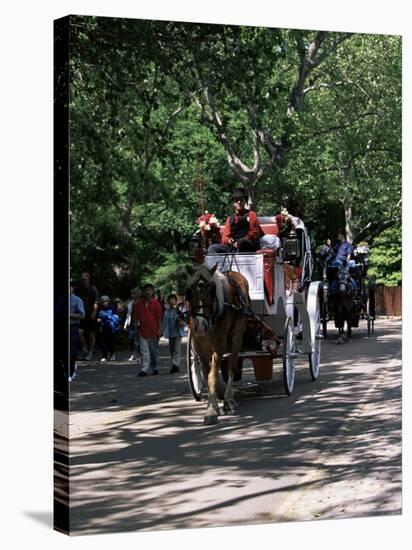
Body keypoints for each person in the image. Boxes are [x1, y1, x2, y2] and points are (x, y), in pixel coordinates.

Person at [208, 188, 265, 254]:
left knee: (241, 242)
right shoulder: (230, 219)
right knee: (212, 248)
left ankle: (237, 261)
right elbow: (224, 237)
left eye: (241, 200)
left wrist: (242, 240)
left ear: (245, 201)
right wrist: (228, 240)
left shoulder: (251, 214)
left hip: (248, 245)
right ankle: (220, 264)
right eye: (237, 200)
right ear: (233, 203)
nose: (239, 202)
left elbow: (254, 232)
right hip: (233, 246)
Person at [135, 283, 163, 377]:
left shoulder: (156, 303)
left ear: (152, 291)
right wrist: (136, 329)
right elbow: (135, 318)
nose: (148, 292)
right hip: (142, 331)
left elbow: (159, 317)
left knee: (153, 351)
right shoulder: (138, 304)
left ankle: (155, 367)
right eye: (146, 290)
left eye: (149, 290)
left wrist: (159, 329)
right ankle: (144, 369)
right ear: (143, 292)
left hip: (153, 331)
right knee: (144, 351)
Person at [76, 272, 99, 360]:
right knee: (79, 332)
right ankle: (84, 349)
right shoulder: (79, 289)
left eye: (85, 279)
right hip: (82, 315)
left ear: (88, 279)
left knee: (91, 333)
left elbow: (96, 301)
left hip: (91, 314)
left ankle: (90, 353)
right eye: (82, 279)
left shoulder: (93, 288)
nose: (83, 280)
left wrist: (94, 312)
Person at [162, 294, 186, 373]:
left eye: (173, 299)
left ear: (176, 301)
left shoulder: (179, 310)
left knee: (176, 349)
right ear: (168, 301)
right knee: (171, 350)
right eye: (170, 300)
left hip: (178, 333)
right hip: (170, 333)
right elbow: (164, 322)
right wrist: (162, 330)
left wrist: (181, 321)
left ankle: (176, 364)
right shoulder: (166, 311)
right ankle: (174, 364)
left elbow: (184, 319)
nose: (172, 301)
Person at [97, 295, 120, 362]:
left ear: (108, 301)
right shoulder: (100, 308)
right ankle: (104, 356)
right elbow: (98, 317)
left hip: (111, 328)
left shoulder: (112, 308)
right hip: (103, 327)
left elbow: (116, 317)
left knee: (111, 342)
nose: (105, 302)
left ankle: (112, 354)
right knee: (103, 342)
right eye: (103, 301)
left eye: (106, 301)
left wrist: (109, 318)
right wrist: (98, 320)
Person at [69, 282, 85, 382]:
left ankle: (70, 372)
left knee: (71, 349)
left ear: (72, 289)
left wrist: (70, 314)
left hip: (73, 326)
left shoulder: (77, 300)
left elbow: (82, 315)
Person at [124, 287, 142, 362]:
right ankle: (133, 354)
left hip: (139, 324)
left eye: (134, 294)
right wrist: (125, 324)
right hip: (131, 323)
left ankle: (140, 355)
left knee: (138, 340)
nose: (132, 295)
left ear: (137, 294)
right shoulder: (130, 303)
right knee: (131, 339)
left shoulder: (141, 303)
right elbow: (128, 314)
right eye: (132, 294)